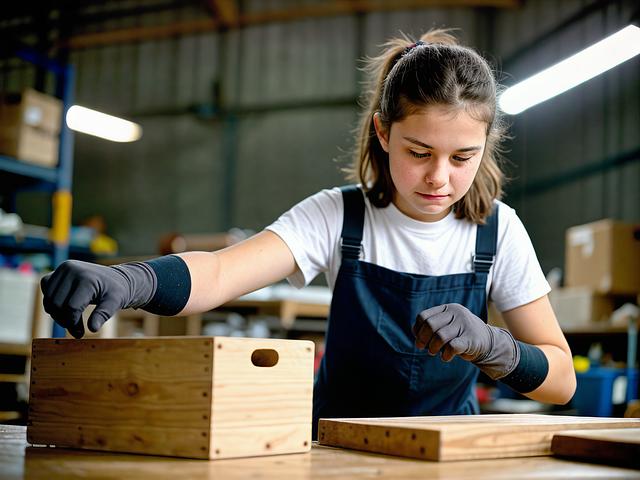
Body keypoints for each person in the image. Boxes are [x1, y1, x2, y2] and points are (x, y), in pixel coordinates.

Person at [41, 29, 576, 437]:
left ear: (487, 143)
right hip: (337, 449)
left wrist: (493, 345)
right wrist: (129, 280)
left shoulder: (498, 231)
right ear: (384, 133)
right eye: (419, 153)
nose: (440, 177)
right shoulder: (337, 216)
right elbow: (223, 271)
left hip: (447, 452)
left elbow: (561, 380)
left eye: (463, 157)